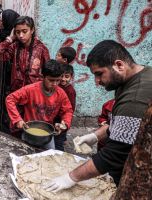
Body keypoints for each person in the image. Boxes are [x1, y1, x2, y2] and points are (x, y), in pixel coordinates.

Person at [44, 40, 152, 192]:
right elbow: (122, 125)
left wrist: (71, 177)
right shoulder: (141, 74)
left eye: (99, 74)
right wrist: (95, 136)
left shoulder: (134, 99)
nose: (97, 81)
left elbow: (114, 155)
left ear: (119, 65)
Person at [5, 60, 73, 148]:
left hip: (48, 135)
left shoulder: (61, 93)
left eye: (58, 80)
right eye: (51, 80)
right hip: (29, 132)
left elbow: (68, 110)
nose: (55, 84)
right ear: (43, 76)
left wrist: (65, 124)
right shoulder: (30, 90)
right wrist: (17, 119)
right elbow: (10, 99)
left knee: (49, 157)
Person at [0, 15, 50, 93]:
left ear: (32, 30)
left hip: (34, 93)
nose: (21, 35)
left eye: (24, 31)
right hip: (17, 92)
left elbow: (48, 72)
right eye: (18, 32)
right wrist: (10, 39)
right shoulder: (14, 47)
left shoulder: (41, 49)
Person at [54, 64, 76, 151]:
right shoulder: (56, 87)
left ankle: (59, 155)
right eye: (61, 76)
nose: (63, 79)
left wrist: (65, 122)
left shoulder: (70, 91)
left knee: (58, 141)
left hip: (62, 119)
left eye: (66, 77)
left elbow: (71, 108)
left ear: (71, 77)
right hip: (54, 117)